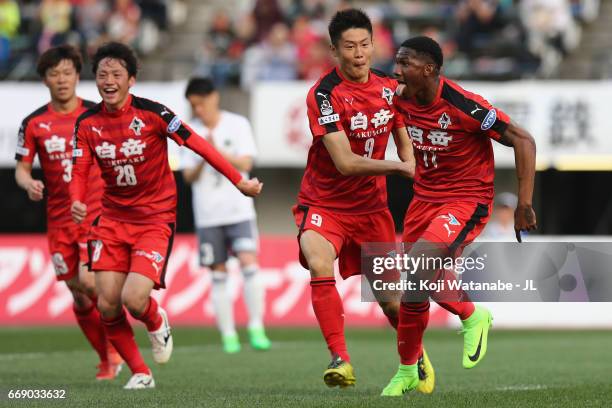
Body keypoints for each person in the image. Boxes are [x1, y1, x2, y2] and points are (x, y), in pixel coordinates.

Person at [69, 42, 262, 389]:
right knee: (108, 305)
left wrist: (239, 181)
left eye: (116, 74)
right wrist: (77, 199)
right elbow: (79, 168)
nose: (108, 81)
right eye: (102, 75)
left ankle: (156, 321)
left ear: (132, 79)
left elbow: (199, 145)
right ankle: (141, 373)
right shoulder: (86, 124)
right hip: (112, 220)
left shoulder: (155, 114)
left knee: (133, 299)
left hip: (154, 220)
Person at [381, 36, 537, 396]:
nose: (397, 70)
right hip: (423, 199)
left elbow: (522, 139)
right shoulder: (396, 97)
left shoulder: (462, 104)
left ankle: (469, 315)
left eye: (405, 64)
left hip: (466, 199)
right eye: (397, 63)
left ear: (430, 70)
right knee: (416, 286)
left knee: (419, 266)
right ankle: (408, 369)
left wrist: (523, 204)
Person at [293, 9, 434, 391]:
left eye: (365, 45)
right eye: (350, 47)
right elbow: (345, 163)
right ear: (334, 51)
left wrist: (411, 163)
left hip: (372, 211)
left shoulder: (391, 87)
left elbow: (404, 136)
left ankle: (415, 354)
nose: (359, 53)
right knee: (318, 262)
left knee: (391, 303)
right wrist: (401, 169)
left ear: (374, 45)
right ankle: (340, 358)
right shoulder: (323, 95)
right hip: (324, 203)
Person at [14, 45, 122, 381]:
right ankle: (105, 356)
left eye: (67, 72)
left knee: (92, 282)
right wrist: (28, 182)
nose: (61, 79)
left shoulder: (96, 114)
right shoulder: (33, 123)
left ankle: (117, 349)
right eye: (54, 73)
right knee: (79, 295)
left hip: (94, 215)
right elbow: (20, 168)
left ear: (77, 76)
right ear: (45, 80)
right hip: (59, 221)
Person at [181, 77, 270, 353]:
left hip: (238, 210)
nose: (199, 111)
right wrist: (202, 155)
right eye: (194, 106)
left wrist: (215, 151)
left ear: (214, 98)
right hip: (208, 214)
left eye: (202, 104)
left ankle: (256, 326)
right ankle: (228, 334)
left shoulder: (237, 124)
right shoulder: (189, 132)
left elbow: (246, 162)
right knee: (218, 274)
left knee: (249, 264)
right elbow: (188, 176)